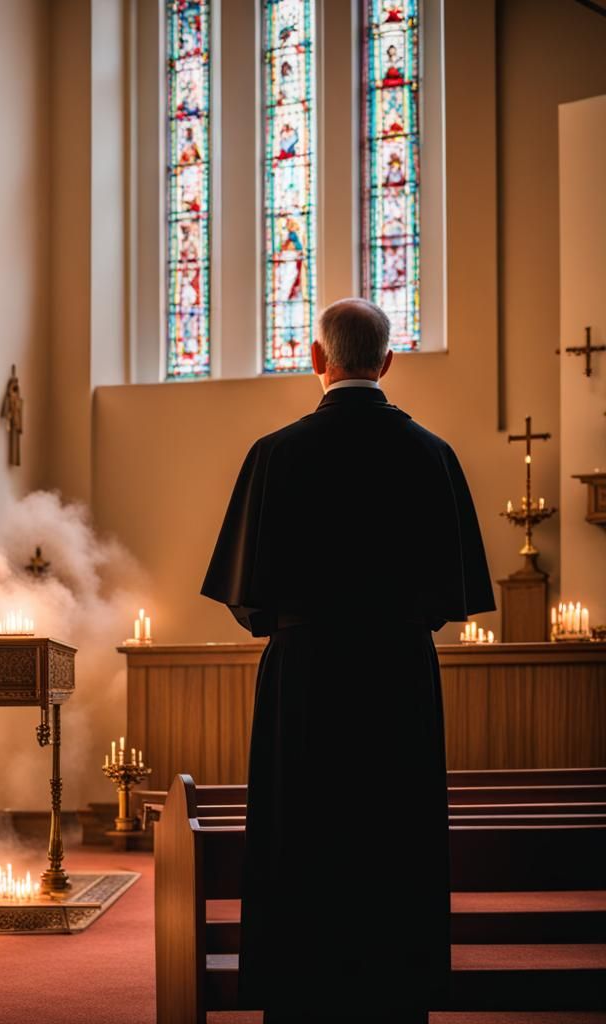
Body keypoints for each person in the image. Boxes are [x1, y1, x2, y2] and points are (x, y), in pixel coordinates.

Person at [201, 298, 494, 1023]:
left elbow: (249, 603)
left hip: (304, 679)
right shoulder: (433, 454)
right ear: (388, 362)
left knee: (301, 833)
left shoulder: (276, 454)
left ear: (316, 359)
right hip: (397, 674)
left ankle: (301, 996)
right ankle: (395, 994)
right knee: (395, 835)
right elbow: (448, 599)